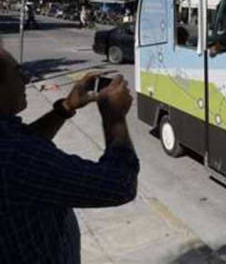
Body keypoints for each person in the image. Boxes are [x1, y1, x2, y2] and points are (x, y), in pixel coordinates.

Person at [0, 47, 139, 264]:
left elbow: (28, 139)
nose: (26, 78)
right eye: (17, 72)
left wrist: (66, 107)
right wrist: (115, 117)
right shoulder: (13, 155)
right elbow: (120, 184)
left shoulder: (10, 140)